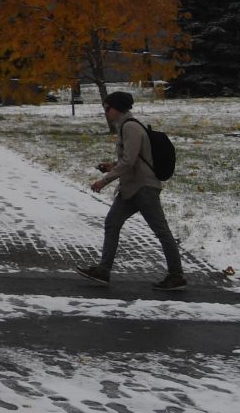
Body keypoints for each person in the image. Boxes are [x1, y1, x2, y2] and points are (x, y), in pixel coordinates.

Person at [75, 90, 186, 291]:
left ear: (116, 108)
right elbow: (129, 159)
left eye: (107, 108)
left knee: (161, 231)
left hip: (143, 188)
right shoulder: (125, 127)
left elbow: (130, 160)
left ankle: (176, 275)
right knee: (112, 223)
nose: (106, 112)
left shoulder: (131, 128)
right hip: (130, 188)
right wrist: (111, 165)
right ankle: (103, 270)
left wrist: (104, 180)